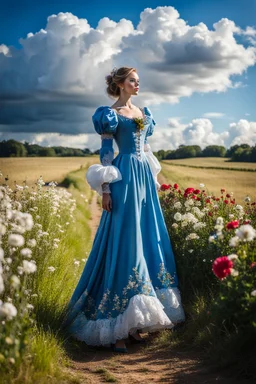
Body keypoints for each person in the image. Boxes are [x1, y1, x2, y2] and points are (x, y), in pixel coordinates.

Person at [62, 66, 185, 353]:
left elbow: (147, 150)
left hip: (142, 180)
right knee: (126, 244)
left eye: (138, 80)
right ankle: (117, 325)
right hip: (124, 178)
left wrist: (153, 181)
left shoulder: (143, 113)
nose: (137, 84)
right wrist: (105, 189)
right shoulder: (108, 114)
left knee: (147, 241)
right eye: (132, 80)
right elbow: (106, 152)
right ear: (119, 83)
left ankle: (138, 322)